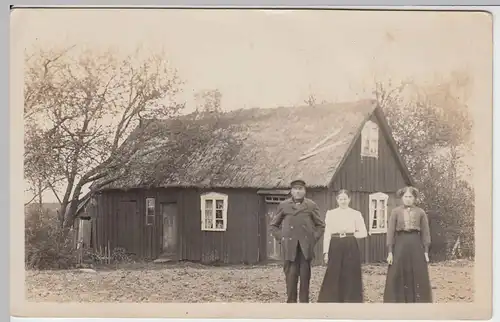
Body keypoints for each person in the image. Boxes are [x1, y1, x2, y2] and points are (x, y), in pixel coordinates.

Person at [269, 179, 326, 303]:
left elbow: (320, 225)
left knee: (305, 279)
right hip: (289, 248)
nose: (298, 192)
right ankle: (291, 305)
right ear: (291, 191)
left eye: (300, 189)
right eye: (295, 189)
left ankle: (304, 306)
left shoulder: (311, 205)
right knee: (290, 277)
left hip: (305, 248)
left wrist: (312, 239)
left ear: (304, 191)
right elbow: (273, 226)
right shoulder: (284, 205)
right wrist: (282, 239)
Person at [383, 186, 433, 303]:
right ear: (402, 198)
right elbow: (390, 232)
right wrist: (390, 252)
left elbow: (426, 233)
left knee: (417, 271)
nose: (408, 199)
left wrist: (426, 251)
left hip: (415, 244)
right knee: (397, 272)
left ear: (414, 198)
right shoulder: (395, 212)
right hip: (400, 244)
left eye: (410, 197)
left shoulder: (420, 212)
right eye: (406, 196)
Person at [317, 189, 367, 303]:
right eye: (340, 199)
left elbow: (363, 232)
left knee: (350, 272)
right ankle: (332, 299)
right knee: (334, 272)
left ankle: (350, 299)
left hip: (350, 244)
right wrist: (326, 252)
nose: (343, 201)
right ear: (337, 200)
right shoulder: (331, 213)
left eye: (345, 199)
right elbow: (327, 234)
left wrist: (351, 234)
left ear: (349, 199)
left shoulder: (355, 214)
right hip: (335, 244)